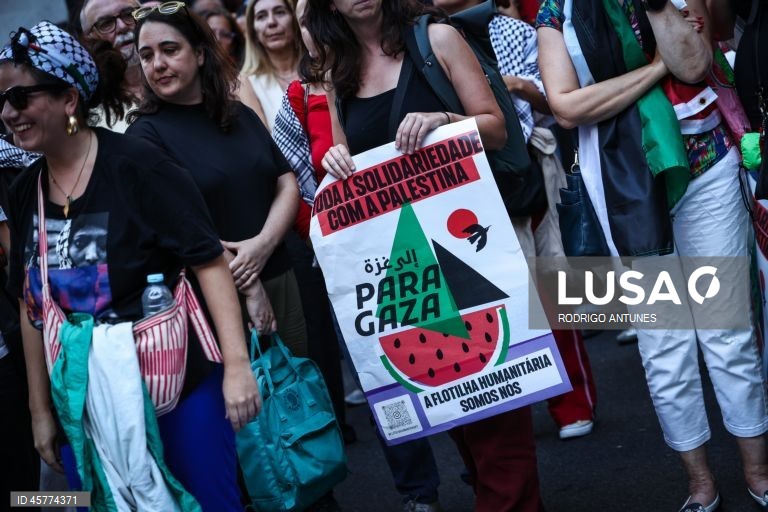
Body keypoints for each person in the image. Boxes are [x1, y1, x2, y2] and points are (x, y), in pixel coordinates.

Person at [0, 20, 260, 511]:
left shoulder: (140, 166)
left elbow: (208, 262)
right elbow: (30, 305)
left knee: (208, 503)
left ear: (69, 100)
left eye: (21, 98)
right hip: (81, 402)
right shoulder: (23, 190)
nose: (8, 114)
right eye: (2, 102)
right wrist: (40, 410)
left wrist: (238, 369)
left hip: (177, 387)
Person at [306, 0, 555, 510]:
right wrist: (333, 160)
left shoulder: (437, 38)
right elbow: (347, 165)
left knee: (499, 417)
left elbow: (496, 127)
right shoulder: (336, 72)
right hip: (406, 266)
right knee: (457, 417)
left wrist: (441, 119)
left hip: (470, 251)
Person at [537, 0, 768, 510]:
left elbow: (692, 64)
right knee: (664, 341)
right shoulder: (558, 10)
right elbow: (568, 106)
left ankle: (758, 470)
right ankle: (700, 482)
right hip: (624, 182)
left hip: (705, 163)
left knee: (725, 330)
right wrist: (655, 68)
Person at [126, 3, 308, 357]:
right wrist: (249, 283)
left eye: (170, 49)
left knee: (309, 394)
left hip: (281, 273)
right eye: (146, 56)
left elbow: (286, 181)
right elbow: (182, 223)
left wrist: (263, 245)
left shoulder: (237, 113)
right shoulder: (144, 136)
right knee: (251, 405)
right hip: (217, 292)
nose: (157, 64)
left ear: (199, 53)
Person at [79, 0, 143, 131]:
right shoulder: (93, 111)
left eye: (129, 14)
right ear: (89, 38)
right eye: (106, 24)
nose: (122, 26)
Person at [239, 0, 302, 130]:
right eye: (261, 16)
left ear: (295, 20)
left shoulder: (321, 68)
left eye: (279, 12)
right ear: (253, 31)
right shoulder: (247, 84)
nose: (271, 22)